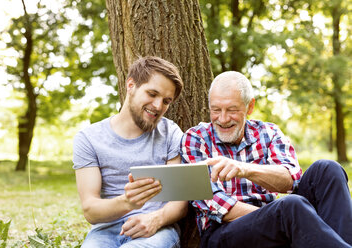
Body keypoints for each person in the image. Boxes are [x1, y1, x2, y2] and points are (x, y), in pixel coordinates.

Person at [180, 71, 352, 248]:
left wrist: (245, 170)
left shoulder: (268, 133)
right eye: (216, 110)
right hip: (222, 233)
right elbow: (214, 204)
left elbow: (291, 179)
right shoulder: (195, 138)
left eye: (232, 110)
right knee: (291, 207)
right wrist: (276, 218)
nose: (223, 119)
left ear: (249, 107)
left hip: (274, 220)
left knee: (327, 169)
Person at [73, 56, 188, 248]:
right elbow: (90, 210)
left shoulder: (171, 133)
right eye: (152, 94)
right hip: (105, 232)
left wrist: (156, 219)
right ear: (131, 85)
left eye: (166, 101)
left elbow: (181, 201)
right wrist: (128, 202)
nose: (158, 106)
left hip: (156, 230)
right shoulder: (88, 138)